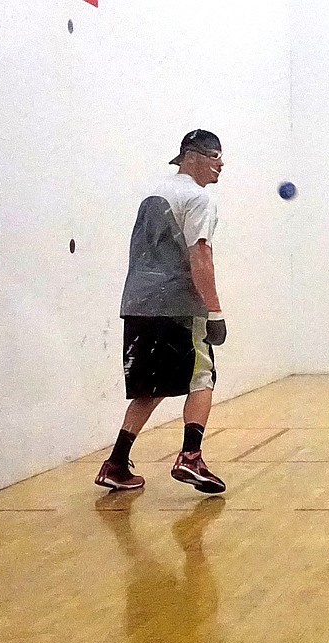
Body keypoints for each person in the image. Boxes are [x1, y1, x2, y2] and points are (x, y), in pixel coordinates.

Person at [95, 129, 228, 495]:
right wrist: (214, 311)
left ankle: (117, 463)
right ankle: (190, 456)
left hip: (138, 303)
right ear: (192, 156)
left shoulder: (153, 195)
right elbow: (200, 255)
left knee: (149, 387)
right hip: (178, 308)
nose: (222, 164)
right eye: (215, 156)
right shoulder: (199, 199)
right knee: (203, 377)